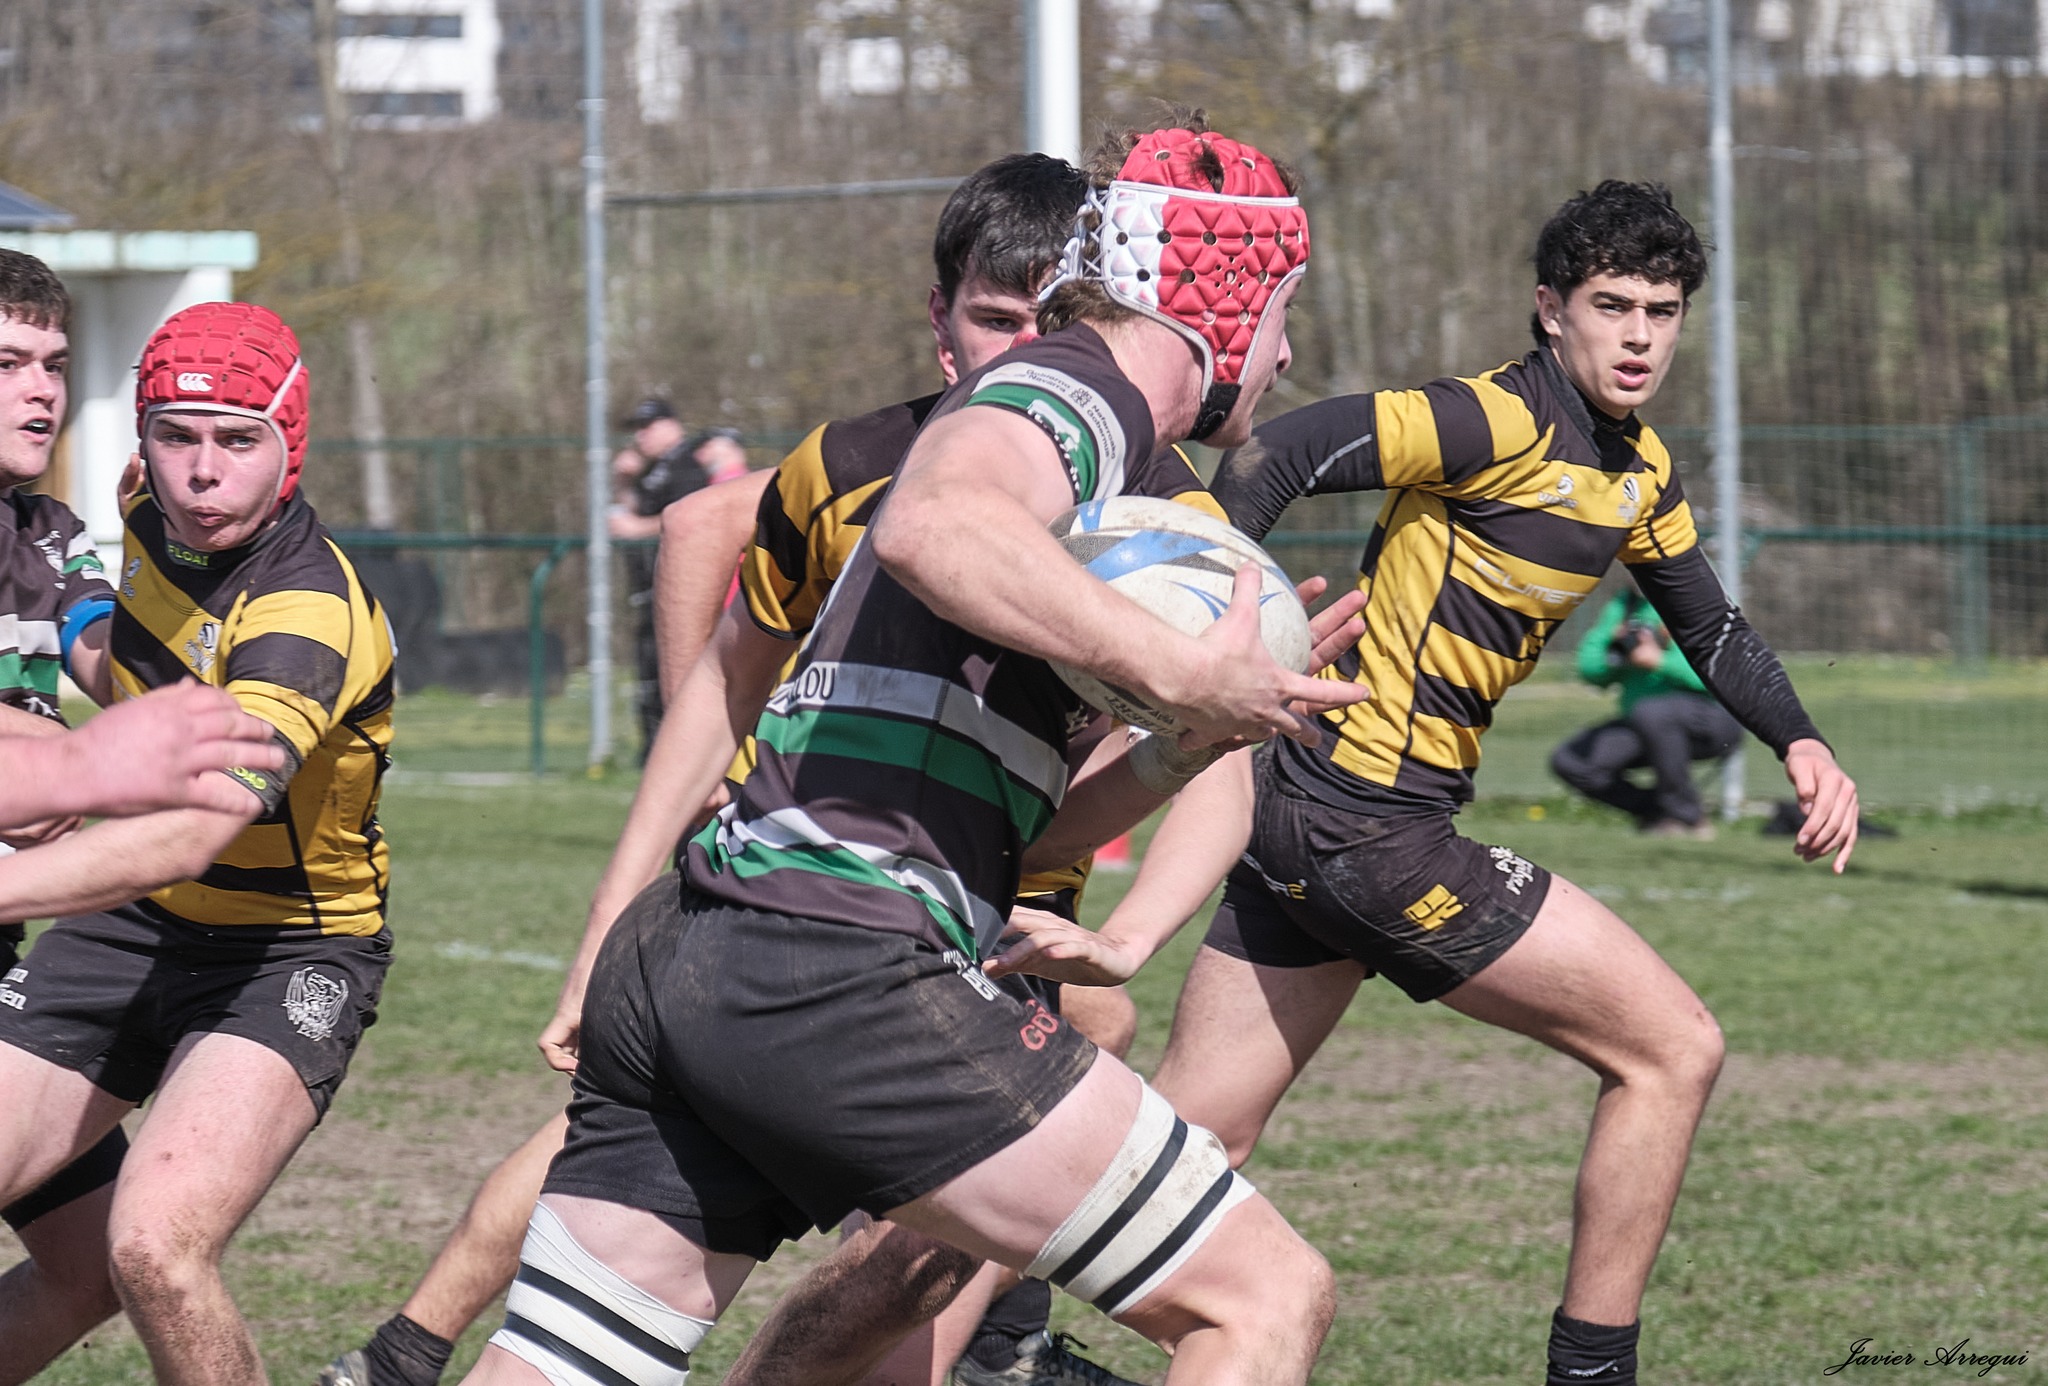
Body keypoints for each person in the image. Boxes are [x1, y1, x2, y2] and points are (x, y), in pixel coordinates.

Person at [459, 117, 1356, 1386]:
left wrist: (1180, 743)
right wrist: (1170, 669)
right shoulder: (1075, 392)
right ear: (1225, 303)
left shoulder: (1104, 472)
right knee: (1262, 1300)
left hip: (698, 949)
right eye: (1280, 316)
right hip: (841, 970)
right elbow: (932, 523)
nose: (1284, 355)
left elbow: (1018, 834)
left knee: (560, 1365)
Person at [986, 180, 1860, 1386]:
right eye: (1611, 305)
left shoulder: (1636, 472)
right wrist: (1215, 620)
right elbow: (1280, 446)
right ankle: (1592, 1375)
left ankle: (993, 1346)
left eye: (1661, 310)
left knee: (1195, 1139)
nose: (1640, 335)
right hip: (1363, 827)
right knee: (1671, 1050)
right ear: (1548, 310)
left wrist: (1800, 742)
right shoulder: (1482, 421)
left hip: (1307, 822)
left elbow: (1708, 629)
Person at [320, 151, 1173, 1386]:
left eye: (1055, 321)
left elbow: (1195, 761)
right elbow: (697, 527)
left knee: (1061, 1062)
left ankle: (1003, 1343)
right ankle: (412, 1347)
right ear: (939, 325)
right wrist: (717, 771)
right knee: (674, 1156)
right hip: (833, 912)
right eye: (997, 320)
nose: (1029, 350)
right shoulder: (881, 466)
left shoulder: (1145, 495)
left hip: (982, 908)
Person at [0, 300, 396, 1386]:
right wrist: (80, 641)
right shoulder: (143, 511)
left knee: (154, 1250)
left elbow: (193, 826)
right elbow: (124, 633)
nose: (201, 473)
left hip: (285, 950)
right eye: (176, 437)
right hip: (125, 931)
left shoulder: (309, 610)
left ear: (291, 440)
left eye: (238, 439)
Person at [610, 401, 746, 759]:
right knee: (651, 671)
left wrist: (637, 528)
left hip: (686, 587)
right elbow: (635, 510)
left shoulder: (688, 463)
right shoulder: (655, 469)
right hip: (650, 586)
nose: (641, 434)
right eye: (637, 427)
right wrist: (623, 481)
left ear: (671, 425)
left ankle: (686, 751)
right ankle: (657, 751)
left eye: (649, 425)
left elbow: (692, 516)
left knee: (682, 670)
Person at [1550, 582, 1743, 835]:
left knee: (1651, 712)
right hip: (1644, 723)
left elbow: (1725, 676)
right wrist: (1616, 650)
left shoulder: (1695, 598)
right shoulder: (1625, 606)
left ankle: (1687, 817)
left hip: (1712, 719)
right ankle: (1658, 811)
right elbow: (1589, 668)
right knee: (1571, 761)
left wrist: (1660, 660)